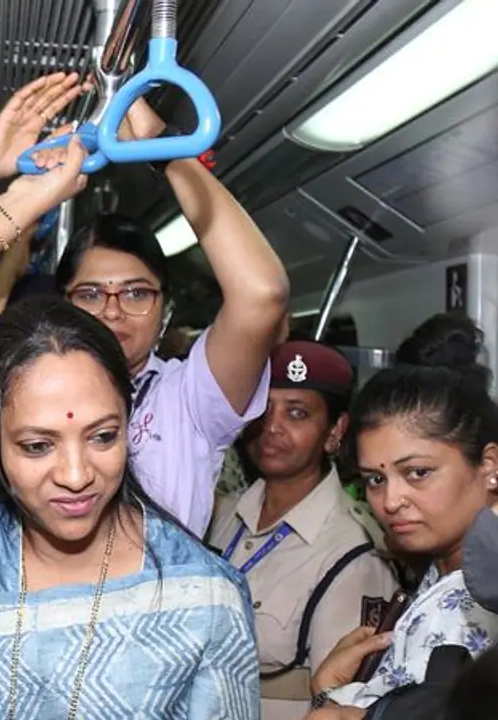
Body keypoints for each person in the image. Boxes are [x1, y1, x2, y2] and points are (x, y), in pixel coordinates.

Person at [0, 89, 258, 718]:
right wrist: (23, 196)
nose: (75, 475)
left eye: (103, 436)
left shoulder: (201, 593)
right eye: (37, 445)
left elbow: (261, 295)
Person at [53, 104, 289, 537]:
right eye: (90, 294)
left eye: (136, 293)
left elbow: (262, 294)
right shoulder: (34, 396)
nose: (112, 311)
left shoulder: (188, 399)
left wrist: (165, 150)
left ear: (165, 309)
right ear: (62, 305)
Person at [311, 314, 498, 711]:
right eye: (375, 479)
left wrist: (328, 694)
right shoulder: (444, 571)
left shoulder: (478, 598)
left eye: (418, 473)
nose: (391, 500)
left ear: (490, 466)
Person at [209, 341, 400, 718]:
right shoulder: (219, 516)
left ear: (335, 431)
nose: (272, 427)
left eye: (296, 413)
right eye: (263, 409)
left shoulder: (354, 553)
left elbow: (344, 702)